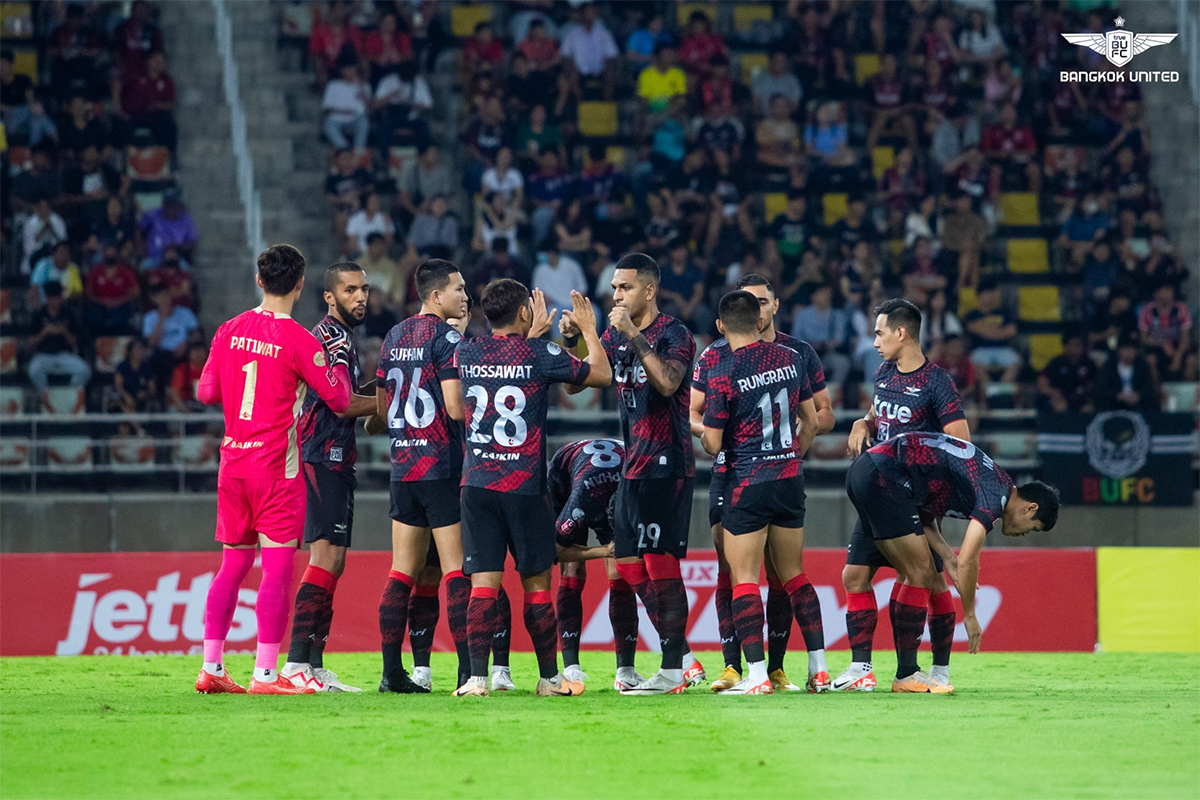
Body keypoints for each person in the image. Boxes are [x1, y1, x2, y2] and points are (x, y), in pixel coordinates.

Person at [193, 243, 353, 695]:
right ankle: (265, 675)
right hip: (276, 469)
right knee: (277, 572)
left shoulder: (228, 330)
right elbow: (339, 400)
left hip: (233, 465)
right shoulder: (301, 340)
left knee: (232, 566)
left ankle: (211, 668)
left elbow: (206, 394)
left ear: (259, 280)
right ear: (300, 285)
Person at [452, 282, 612, 698]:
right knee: (537, 585)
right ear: (525, 312)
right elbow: (602, 374)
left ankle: (476, 680)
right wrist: (588, 329)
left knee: (483, 585)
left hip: (477, 484)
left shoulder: (466, 352)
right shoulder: (540, 353)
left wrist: (533, 334)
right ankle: (549, 680)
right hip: (524, 485)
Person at [562, 253, 706, 695]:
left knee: (661, 565)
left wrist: (633, 335)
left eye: (624, 287)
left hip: (667, 463)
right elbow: (577, 382)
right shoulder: (613, 335)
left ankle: (672, 670)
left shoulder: (674, 333)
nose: (616, 295)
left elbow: (668, 383)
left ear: (649, 290)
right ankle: (683, 656)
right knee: (626, 565)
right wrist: (575, 340)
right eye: (614, 288)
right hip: (633, 465)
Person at [691, 274, 835, 693]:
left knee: (743, 577)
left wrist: (706, 434)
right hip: (787, 478)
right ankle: (819, 669)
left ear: (721, 325)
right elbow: (812, 420)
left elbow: (712, 442)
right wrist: (792, 454)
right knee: (794, 575)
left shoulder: (725, 369)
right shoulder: (791, 359)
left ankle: (757, 675)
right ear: (757, 318)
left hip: (745, 480)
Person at [846, 432, 1058, 691]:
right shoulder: (994, 497)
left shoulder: (996, 480)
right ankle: (906, 675)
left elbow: (922, 513)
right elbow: (969, 559)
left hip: (865, 470)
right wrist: (970, 615)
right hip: (885, 478)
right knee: (921, 573)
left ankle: (861, 672)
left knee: (862, 575)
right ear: (1030, 508)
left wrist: (948, 556)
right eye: (1032, 528)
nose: (1025, 533)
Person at [837, 298, 971, 693]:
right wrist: (862, 422)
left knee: (927, 578)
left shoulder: (936, 381)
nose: (874, 341)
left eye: (880, 333)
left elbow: (961, 443)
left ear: (901, 332)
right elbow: (878, 416)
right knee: (855, 576)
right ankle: (861, 668)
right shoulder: (883, 372)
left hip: (913, 496)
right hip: (879, 489)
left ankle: (931, 671)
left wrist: (928, 484)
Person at [281, 263, 382, 693]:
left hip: (337, 457)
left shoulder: (341, 337)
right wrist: (393, 395)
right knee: (323, 560)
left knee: (334, 562)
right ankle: (295, 664)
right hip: (321, 456)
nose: (360, 297)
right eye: (350, 290)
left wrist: (383, 386)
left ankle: (314, 665)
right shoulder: (331, 339)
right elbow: (341, 403)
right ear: (329, 296)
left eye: (364, 289)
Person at [373, 259, 471, 694]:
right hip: (441, 466)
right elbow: (455, 407)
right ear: (436, 295)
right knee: (455, 572)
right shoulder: (447, 338)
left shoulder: (394, 335)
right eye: (458, 289)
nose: (465, 296)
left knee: (402, 572)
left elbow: (380, 409)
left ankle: (391, 673)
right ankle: (469, 672)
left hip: (403, 468)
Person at [547, 438, 628, 687]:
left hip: (613, 478)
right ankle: (571, 667)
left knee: (620, 571)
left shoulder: (638, 484)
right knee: (572, 569)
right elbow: (555, 551)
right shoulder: (580, 498)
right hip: (567, 476)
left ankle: (626, 671)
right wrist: (603, 551)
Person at [28, 282, 91, 390]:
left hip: (65, 355)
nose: (55, 301)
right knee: (34, 370)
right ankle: (45, 393)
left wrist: (65, 332)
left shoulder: (69, 314)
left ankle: (71, 392)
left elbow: (75, 343)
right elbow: (31, 342)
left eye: (57, 297)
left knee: (84, 371)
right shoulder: (39, 315)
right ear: (47, 298)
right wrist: (45, 332)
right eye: (52, 298)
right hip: (44, 355)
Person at [964, 280, 1021, 382]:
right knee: (975, 363)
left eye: (991, 293)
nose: (989, 297)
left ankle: (1003, 389)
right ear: (979, 296)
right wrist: (999, 331)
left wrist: (985, 330)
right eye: (986, 294)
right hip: (981, 349)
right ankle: (988, 390)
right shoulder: (973, 314)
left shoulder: (1003, 312)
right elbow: (972, 328)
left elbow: (1012, 330)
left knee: (1015, 362)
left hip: (1003, 349)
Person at [1096, 335, 1160, 412]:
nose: (1129, 352)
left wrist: (1138, 395)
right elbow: (1104, 388)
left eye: (1132, 349)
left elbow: (1148, 388)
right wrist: (1118, 395)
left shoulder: (1142, 368)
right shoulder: (1109, 368)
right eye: (1126, 349)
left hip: (1138, 407)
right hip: (1113, 407)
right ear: (1119, 350)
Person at [1037, 331, 1097, 413]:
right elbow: (1042, 386)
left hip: (1081, 401)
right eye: (1074, 345)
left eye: (1080, 345)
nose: (1078, 348)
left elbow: (1094, 385)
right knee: (1060, 407)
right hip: (1060, 399)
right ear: (1065, 347)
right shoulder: (1056, 363)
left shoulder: (1089, 364)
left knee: (1089, 409)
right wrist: (1054, 392)